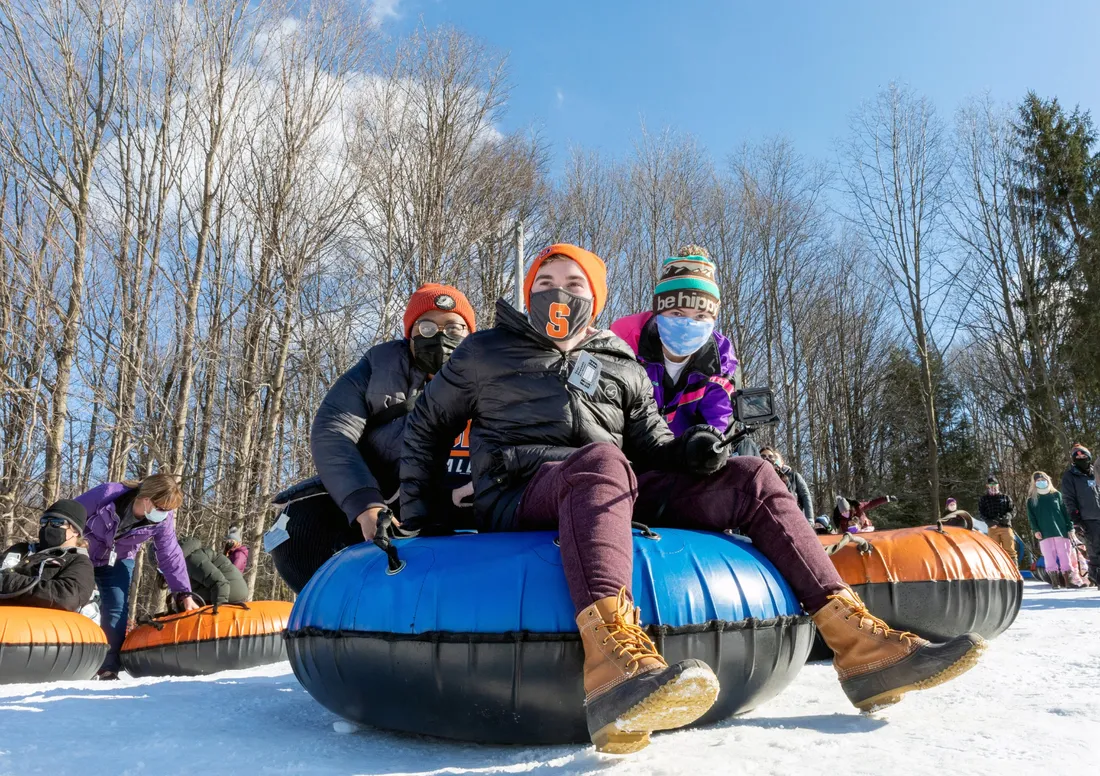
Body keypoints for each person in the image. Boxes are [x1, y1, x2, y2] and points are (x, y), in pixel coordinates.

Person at [400, 243, 984, 754]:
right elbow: (425, 427)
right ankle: (612, 668)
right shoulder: (486, 351)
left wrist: (695, 450)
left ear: (596, 298)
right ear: (529, 294)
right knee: (603, 462)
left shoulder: (617, 362)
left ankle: (860, 645)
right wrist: (419, 515)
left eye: (574, 284)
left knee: (753, 474)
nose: (560, 293)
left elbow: (652, 442)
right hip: (519, 488)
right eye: (546, 284)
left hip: (608, 486)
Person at [269, 284, 477, 593]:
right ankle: (337, 612)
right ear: (411, 332)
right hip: (389, 497)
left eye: (453, 326)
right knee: (294, 527)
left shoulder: (493, 374)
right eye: (428, 325)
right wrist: (365, 504)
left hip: (465, 496)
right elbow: (333, 431)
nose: (441, 336)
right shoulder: (377, 369)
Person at [610, 245, 760, 458]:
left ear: (713, 320)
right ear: (659, 311)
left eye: (700, 316)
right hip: (628, 455)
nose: (688, 324)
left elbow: (719, 422)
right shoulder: (624, 341)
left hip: (686, 460)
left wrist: (709, 452)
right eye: (677, 313)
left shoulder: (720, 360)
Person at [77, 474, 197, 680]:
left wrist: (184, 593)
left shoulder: (163, 520)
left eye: (169, 510)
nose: (165, 514)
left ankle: (107, 667)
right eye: (162, 508)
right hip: (82, 553)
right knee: (72, 596)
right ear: (146, 498)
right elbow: (69, 514)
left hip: (118, 559)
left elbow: (169, 554)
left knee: (117, 607)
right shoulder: (108, 494)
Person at [0, 500, 94, 612]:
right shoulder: (21, 549)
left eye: (57, 522)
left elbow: (67, 597)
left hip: (32, 623)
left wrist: (8, 582)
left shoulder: (79, 561)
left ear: (75, 531)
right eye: (44, 522)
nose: (48, 527)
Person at [1027, 471, 1086, 588]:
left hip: (1061, 530)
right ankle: (1055, 581)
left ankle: (1069, 580)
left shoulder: (1056, 495)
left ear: (1048, 480)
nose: (1041, 482)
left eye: (1043, 480)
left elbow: (1065, 513)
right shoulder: (1032, 499)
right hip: (1044, 532)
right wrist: (1035, 530)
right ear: (1034, 483)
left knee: (1065, 555)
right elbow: (1031, 517)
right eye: (1038, 481)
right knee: (1049, 556)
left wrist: (1070, 527)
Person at [1060, 444, 1100, 586]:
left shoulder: (1096, 473)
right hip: (1087, 518)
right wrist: (1076, 519)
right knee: (1095, 549)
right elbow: (1068, 499)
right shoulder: (1070, 476)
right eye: (1078, 457)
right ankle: (1097, 578)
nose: (1081, 458)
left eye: (1084, 456)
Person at [177, 536, 250, 607]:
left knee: (191, 599)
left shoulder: (192, 560)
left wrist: (218, 607)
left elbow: (219, 582)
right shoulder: (194, 557)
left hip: (231, 590)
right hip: (232, 588)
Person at [761, 447, 814, 523]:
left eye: (774, 458)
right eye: (763, 457)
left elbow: (805, 495)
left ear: (782, 462)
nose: (772, 460)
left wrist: (810, 519)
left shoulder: (794, 476)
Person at [978, 476, 1015, 557]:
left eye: (995, 484)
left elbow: (1013, 510)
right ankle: (998, 569)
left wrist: (1008, 517)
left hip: (1005, 527)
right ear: (987, 486)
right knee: (994, 551)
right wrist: (989, 521)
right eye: (990, 485)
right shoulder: (983, 499)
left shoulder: (1006, 497)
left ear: (998, 485)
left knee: (1010, 550)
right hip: (992, 528)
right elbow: (981, 513)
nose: (993, 486)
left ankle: (1013, 568)